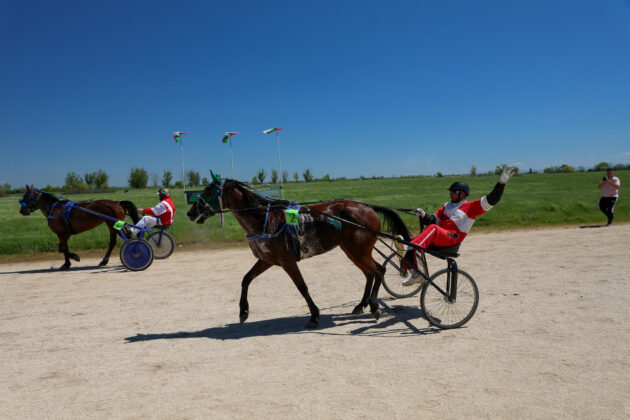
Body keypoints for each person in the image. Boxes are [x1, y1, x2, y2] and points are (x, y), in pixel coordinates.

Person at [400, 166, 515, 286]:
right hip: (441, 236)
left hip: (453, 239)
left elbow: (491, 200)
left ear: (462, 194)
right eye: (450, 191)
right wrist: (423, 215)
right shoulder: (447, 206)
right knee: (409, 241)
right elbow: (433, 220)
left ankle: (413, 247)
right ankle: (416, 274)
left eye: (454, 192)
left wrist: (501, 184)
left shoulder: (471, 207)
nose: (451, 194)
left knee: (427, 234)